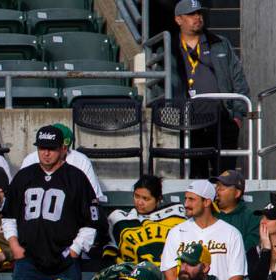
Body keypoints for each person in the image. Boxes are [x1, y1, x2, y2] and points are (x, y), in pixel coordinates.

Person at [3, 125, 98, 280]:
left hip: (64, 261)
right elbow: (9, 216)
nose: (46, 153)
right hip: (28, 260)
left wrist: (75, 249)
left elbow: (90, 222)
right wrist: (14, 245)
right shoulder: (24, 176)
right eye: (42, 148)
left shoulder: (77, 178)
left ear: (63, 149)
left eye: (52, 148)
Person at [170, 0, 250, 176]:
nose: (197, 17)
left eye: (199, 13)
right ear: (178, 20)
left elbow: (238, 79)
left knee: (225, 176)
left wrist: (237, 116)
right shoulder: (169, 48)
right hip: (190, 120)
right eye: (191, 14)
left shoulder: (220, 43)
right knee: (196, 176)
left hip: (222, 118)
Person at [160, 179, 246, 280]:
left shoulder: (231, 233)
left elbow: (236, 277)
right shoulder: (176, 232)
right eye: (185, 199)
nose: (186, 204)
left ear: (207, 202)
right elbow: (169, 273)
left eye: (191, 199)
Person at [103, 174, 185, 266]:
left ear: (158, 199)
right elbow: (110, 249)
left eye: (146, 199)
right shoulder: (120, 218)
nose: (139, 202)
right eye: (137, 196)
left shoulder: (176, 216)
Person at [20, 123, 107, 204]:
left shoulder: (80, 160)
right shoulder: (30, 160)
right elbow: (18, 196)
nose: (47, 153)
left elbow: (95, 198)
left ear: (65, 148)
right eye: (44, 147)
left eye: (53, 148)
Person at [211, 169, 258, 253]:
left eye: (221, 188)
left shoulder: (252, 218)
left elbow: (248, 248)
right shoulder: (208, 214)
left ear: (237, 193)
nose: (216, 191)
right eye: (216, 186)